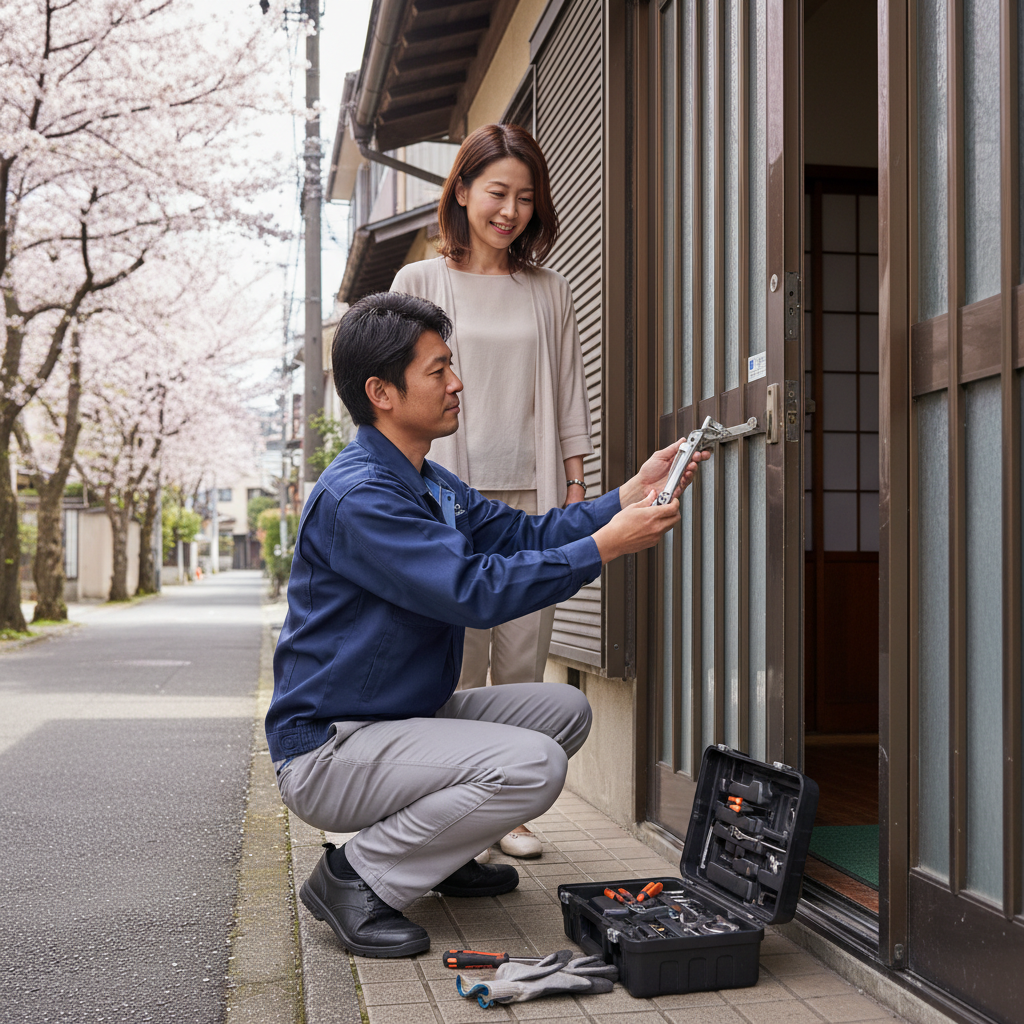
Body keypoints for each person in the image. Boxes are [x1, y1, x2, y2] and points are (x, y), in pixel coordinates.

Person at [265, 291, 707, 959]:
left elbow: (523, 534)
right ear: (381, 392)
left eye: (452, 366)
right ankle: (354, 878)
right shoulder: (361, 497)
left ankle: (438, 859)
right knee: (534, 765)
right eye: (438, 370)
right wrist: (608, 544)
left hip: (397, 722)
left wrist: (625, 495)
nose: (457, 383)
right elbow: (473, 591)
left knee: (561, 711)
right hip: (330, 749)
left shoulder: (427, 481)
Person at [392, 122, 591, 860]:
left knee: (522, 658)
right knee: (456, 656)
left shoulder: (549, 289)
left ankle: (511, 808)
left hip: (532, 499)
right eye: (497, 193)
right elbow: (396, 391)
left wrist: (574, 486)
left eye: (525, 198)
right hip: (450, 498)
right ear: (464, 192)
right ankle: (458, 807)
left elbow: (571, 392)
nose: (510, 211)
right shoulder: (419, 283)